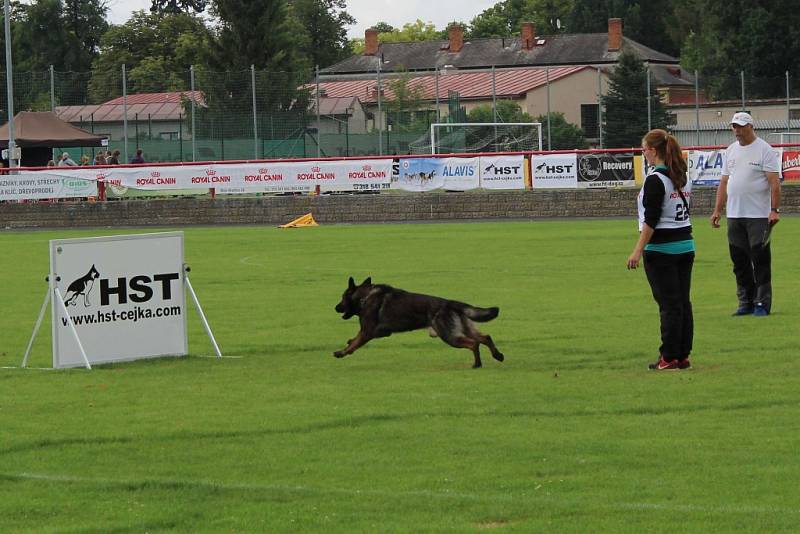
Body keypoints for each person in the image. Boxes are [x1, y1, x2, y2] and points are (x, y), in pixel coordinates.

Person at [627, 129, 694, 370]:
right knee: (682, 302)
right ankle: (683, 354)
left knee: (668, 305)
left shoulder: (656, 179)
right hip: (686, 244)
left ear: (653, 151)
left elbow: (651, 220)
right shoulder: (682, 176)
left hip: (662, 249)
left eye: (644, 150)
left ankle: (668, 356)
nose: (643, 154)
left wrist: (637, 250)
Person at [710, 112, 781, 317]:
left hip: (758, 215)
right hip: (735, 215)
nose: (737, 130)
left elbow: (774, 183)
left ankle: (762, 303)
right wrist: (717, 210)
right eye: (734, 126)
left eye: (741, 126)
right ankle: (746, 302)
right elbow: (724, 182)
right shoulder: (730, 151)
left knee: (759, 260)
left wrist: (774, 210)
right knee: (739, 261)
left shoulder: (764, 150)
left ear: (751, 126)